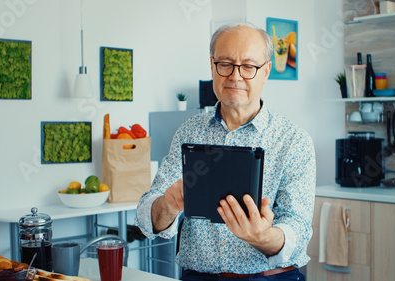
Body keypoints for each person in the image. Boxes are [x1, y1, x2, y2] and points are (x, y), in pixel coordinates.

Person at [135, 22, 316, 280]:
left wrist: (262, 237)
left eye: (249, 66)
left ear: (265, 72)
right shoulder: (188, 133)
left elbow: (297, 230)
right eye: (225, 64)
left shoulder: (294, 140)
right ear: (212, 66)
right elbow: (149, 219)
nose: (235, 76)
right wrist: (167, 203)